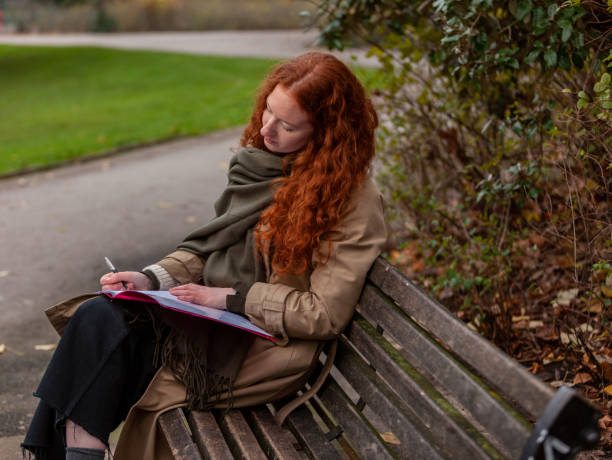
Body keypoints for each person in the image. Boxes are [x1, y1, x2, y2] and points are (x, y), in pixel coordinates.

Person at [22, 51, 387, 460]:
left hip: (262, 349)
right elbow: (208, 249)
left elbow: (323, 314)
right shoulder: (262, 167)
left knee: (101, 350)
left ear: (327, 134)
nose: (267, 129)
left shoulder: (352, 203)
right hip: (211, 324)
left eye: (288, 125)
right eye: (268, 110)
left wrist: (229, 299)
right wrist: (151, 280)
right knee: (97, 318)